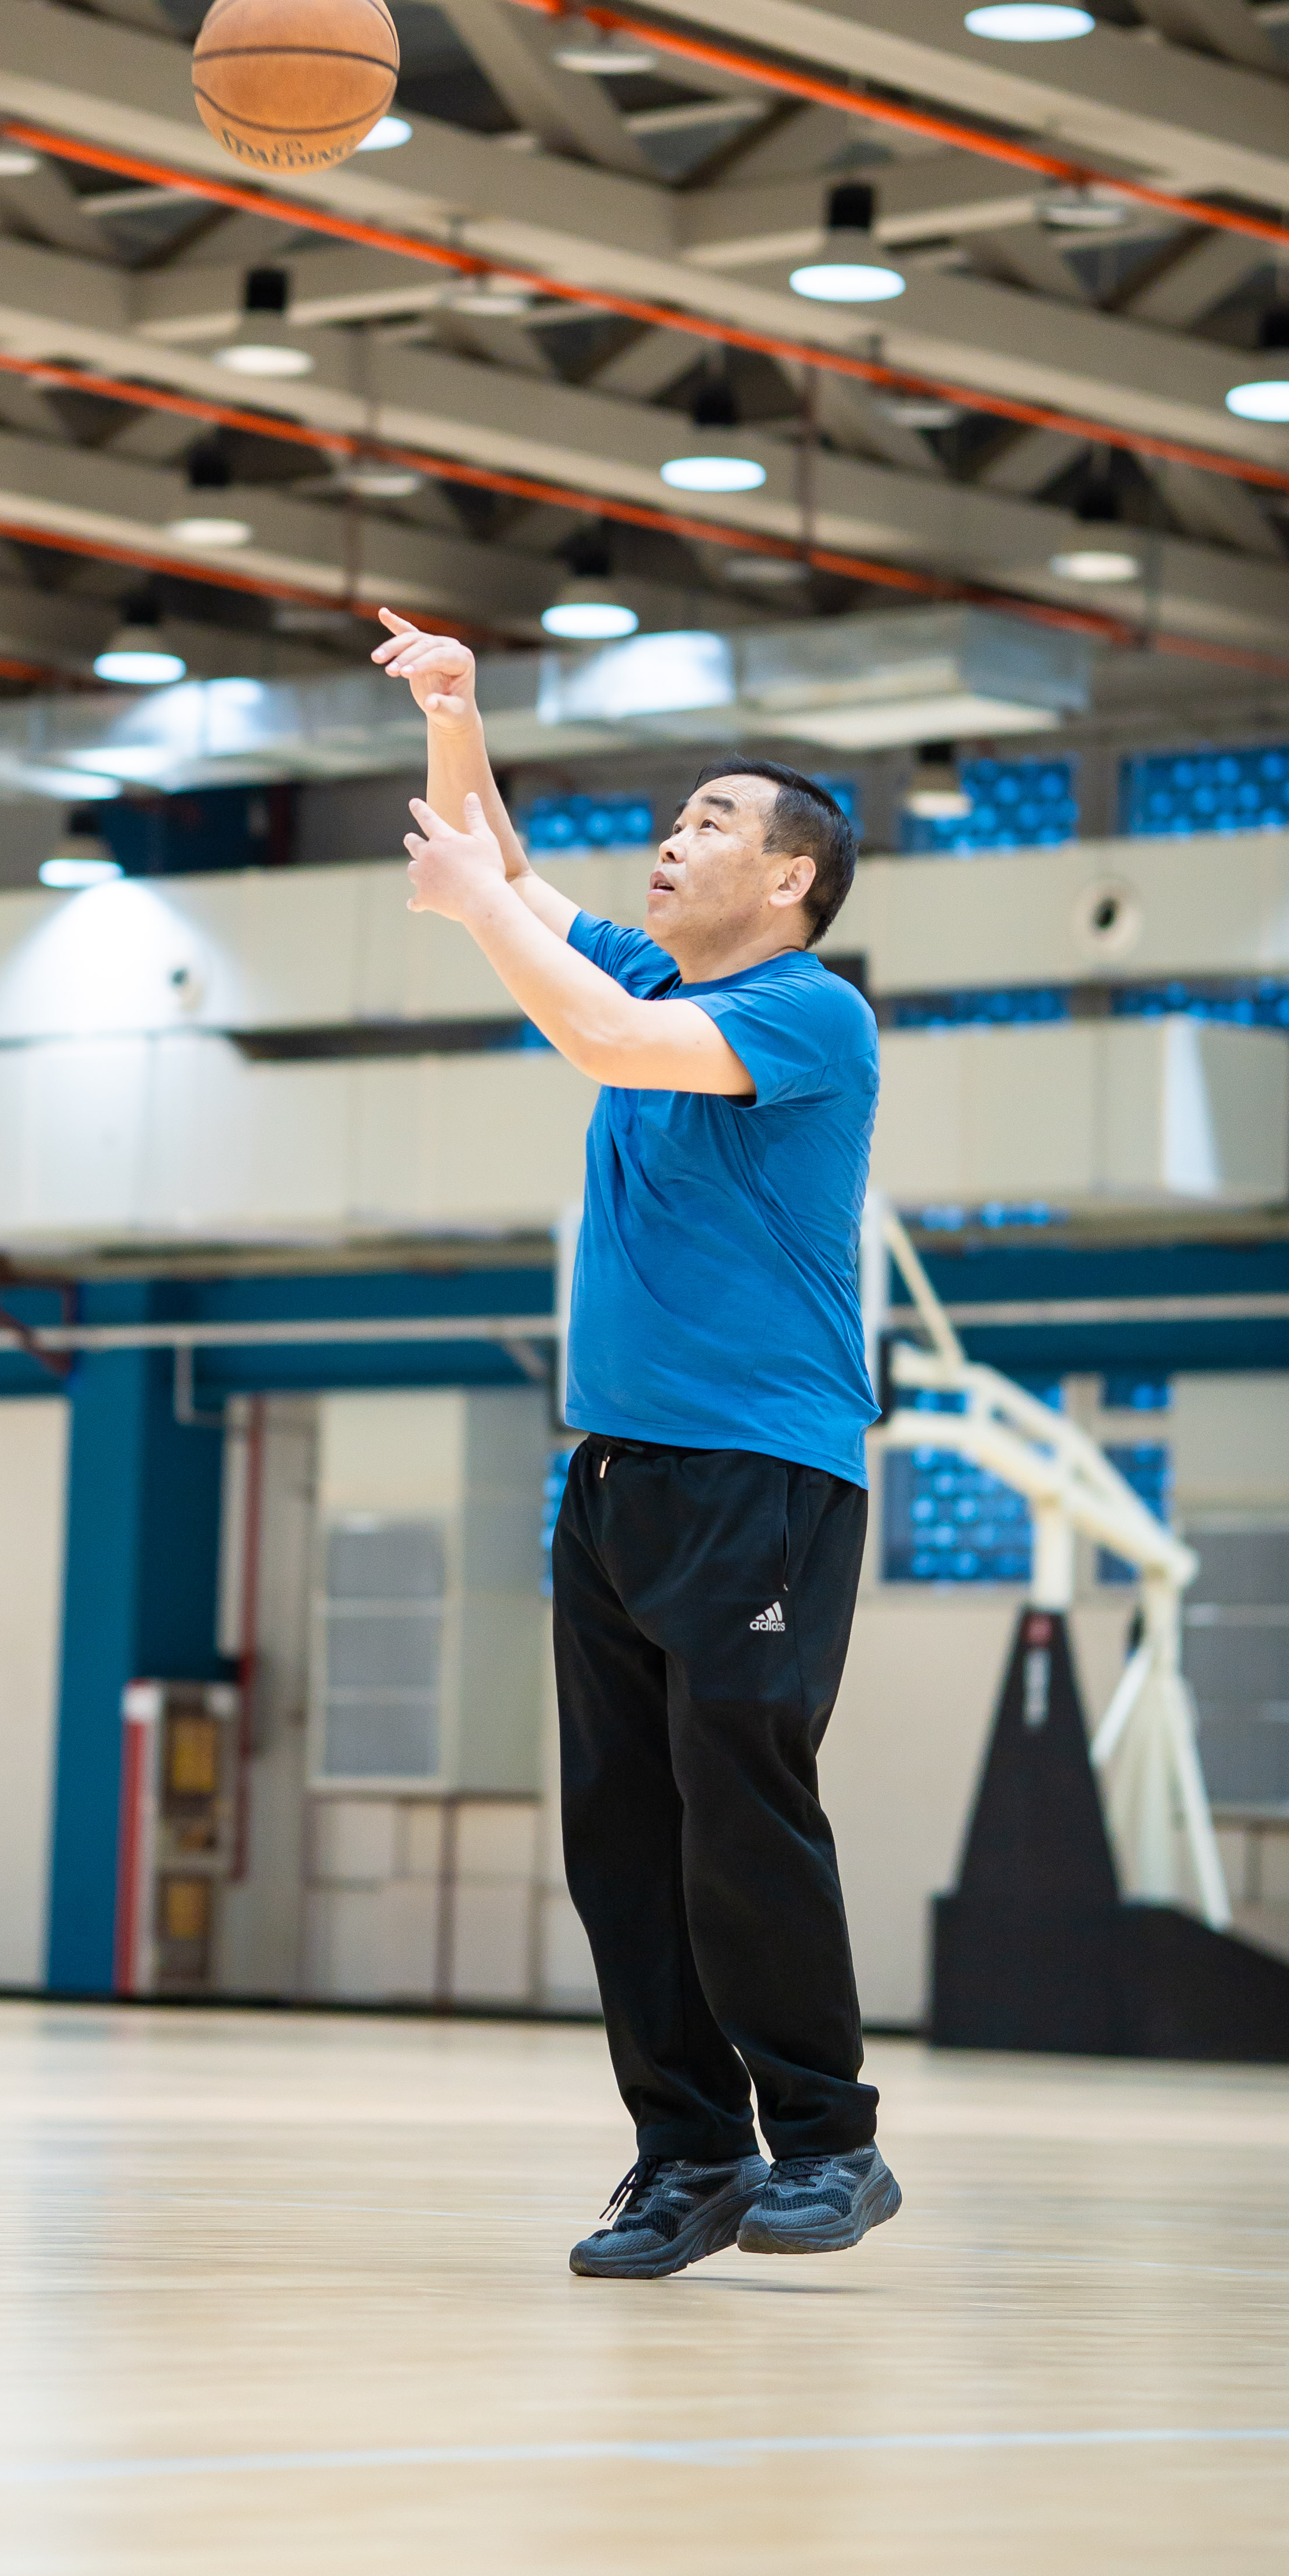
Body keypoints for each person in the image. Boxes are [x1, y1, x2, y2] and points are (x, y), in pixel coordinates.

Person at [373, 608, 898, 2278]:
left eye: (712, 822)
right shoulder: (661, 969)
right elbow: (509, 874)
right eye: (674, 818)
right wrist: (455, 711)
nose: (674, 839)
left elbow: (590, 1030)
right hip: (612, 1475)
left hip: (762, 1473)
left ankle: (828, 2143)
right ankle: (689, 2155)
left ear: (792, 879)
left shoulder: (810, 1013)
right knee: (619, 1835)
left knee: (740, 1807)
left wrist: (479, 911)